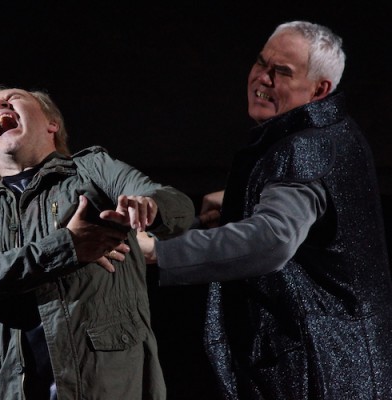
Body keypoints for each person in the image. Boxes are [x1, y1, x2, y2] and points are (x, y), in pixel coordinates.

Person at [138, 21, 392, 399]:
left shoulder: (304, 150)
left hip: (312, 368)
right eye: (261, 62)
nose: (263, 77)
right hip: (350, 355)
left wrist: (159, 252)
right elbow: (325, 204)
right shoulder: (338, 129)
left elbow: (271, 240)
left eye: (283, 72)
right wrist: (244, 197)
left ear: (319, 89)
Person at [0, 86, 196, 400]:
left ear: (51, 124)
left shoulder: (91, 168)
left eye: (14, 98)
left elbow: (179, 205)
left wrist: (150, 207)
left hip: (107, 381)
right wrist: (69, 247)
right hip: (14, 388)